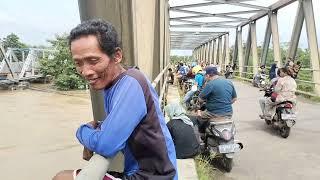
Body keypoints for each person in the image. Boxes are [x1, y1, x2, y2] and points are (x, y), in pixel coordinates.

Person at [53, 19, 177, 180]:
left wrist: (82, 131)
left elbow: (106, 144)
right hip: (146, 172)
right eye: (78, 63)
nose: (85, 71)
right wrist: (100, 129)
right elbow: (118, 126)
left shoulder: (131, 84)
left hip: (154, 176)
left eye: (93, 61)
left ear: (117, 56)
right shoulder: (115, 84)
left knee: (61, 178)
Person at [195, 66, 237, 133]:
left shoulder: (210, 84)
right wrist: (225, 103)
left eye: (205, 75)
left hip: (213, 113)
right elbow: (234, 99)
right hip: (229, 113)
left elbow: (200, 99)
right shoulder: (229, 82)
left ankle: (202, 135)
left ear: (208, 75)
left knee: (198, 115)